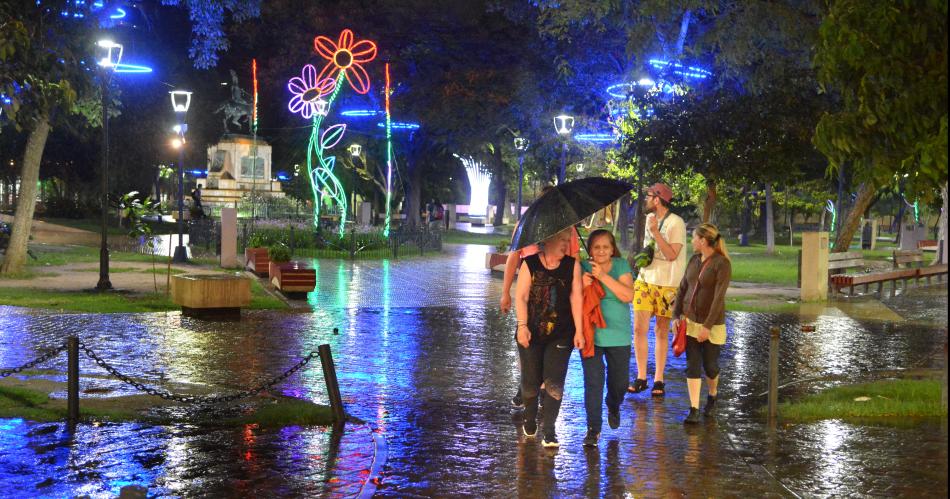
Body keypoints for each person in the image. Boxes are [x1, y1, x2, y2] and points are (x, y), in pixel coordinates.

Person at [514, 227, 584, 447]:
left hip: (561, 333)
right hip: (531, 331)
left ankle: (550, 430)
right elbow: (522, 297)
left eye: (568, 240)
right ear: (549, 240)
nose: (567, 244)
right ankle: (530, 415)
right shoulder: (530, 263)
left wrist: (580, 330)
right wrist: (522, 326)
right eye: (562, 239)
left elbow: (576, 299)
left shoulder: (572, 265)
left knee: (554, 380)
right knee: (530, 381)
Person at [629, 183, 687, 397]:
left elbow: (672, 254)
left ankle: (659, 379)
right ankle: (641, 376)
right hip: (645, 280)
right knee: (638, 329)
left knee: (661, 331)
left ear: (657, 199)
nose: (645, 199)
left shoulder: (676, 223)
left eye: (649, 196)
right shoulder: (649, 220)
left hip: (668, 284)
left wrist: (655, 232)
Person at [672, 223, 731, 424]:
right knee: (692, 366)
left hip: (712, 325)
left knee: (711, 366)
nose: (691, 241)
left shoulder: (722, 264)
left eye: (694, 237)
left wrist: (707, 326)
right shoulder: (694, 260)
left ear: (703, 241)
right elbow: (682, 289)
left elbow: (718, 299)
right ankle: (694, 409)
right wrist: (675, 316)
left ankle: (713, 395)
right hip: (690, 323)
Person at [579, 229, 634, 447]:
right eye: (596, 247)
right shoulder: (582, 267)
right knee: (593, 383)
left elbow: (628, 295)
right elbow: (572, 298)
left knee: (619, 383)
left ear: (612, 249)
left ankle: (613, 403)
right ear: (590, 250)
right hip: (590, 334)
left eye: (605, 247)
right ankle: (593, 429)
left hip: (619, 335)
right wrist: (582, 285)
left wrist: (602, 276)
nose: (601, 251)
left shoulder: (620, 266)